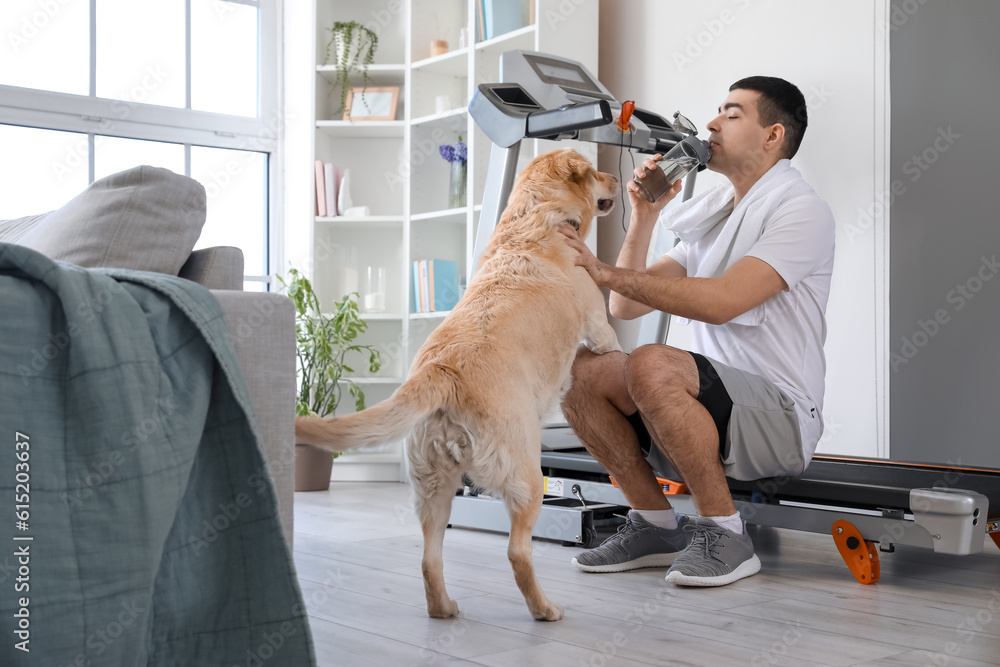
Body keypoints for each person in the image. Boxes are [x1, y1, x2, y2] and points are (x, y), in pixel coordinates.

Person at [558, 76, 836, 587]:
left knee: (652, 360)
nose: (711, 123)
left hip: (780, 416)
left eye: (732, 114)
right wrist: (644, 218)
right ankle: (655, 525)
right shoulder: (715, 218)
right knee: (579, 370)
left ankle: (726, 534)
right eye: (717, 111)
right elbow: (625, 303)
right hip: (709, 406)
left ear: (773, 136)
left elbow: (724, 302)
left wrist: (603, 270)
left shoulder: (801, 211)